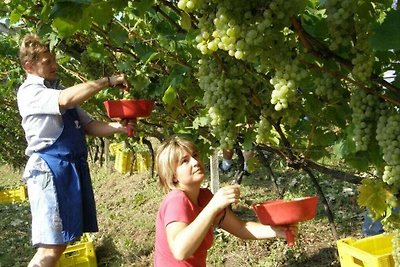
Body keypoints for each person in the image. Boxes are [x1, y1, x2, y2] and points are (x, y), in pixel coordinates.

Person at [17, 33, 133, 267]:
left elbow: (88, 125)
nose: (54, 65)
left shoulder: (56, 89)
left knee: (59, 243)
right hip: (49, 171)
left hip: (67, 169)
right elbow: (65, 100)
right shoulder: (31, 92)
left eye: (54, 59)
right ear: (29, 66)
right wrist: (108, 81)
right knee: (50, 247)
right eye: (47, 61)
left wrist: (118, 127)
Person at [154, 136, 296, 266]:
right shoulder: (176, 200)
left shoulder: (204, 197)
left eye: (195, 155)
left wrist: (276, 231)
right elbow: (180, 251)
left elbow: (240, 228)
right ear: (173, 176)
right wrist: (213, 206)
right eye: (185, 161)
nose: (195, 162)